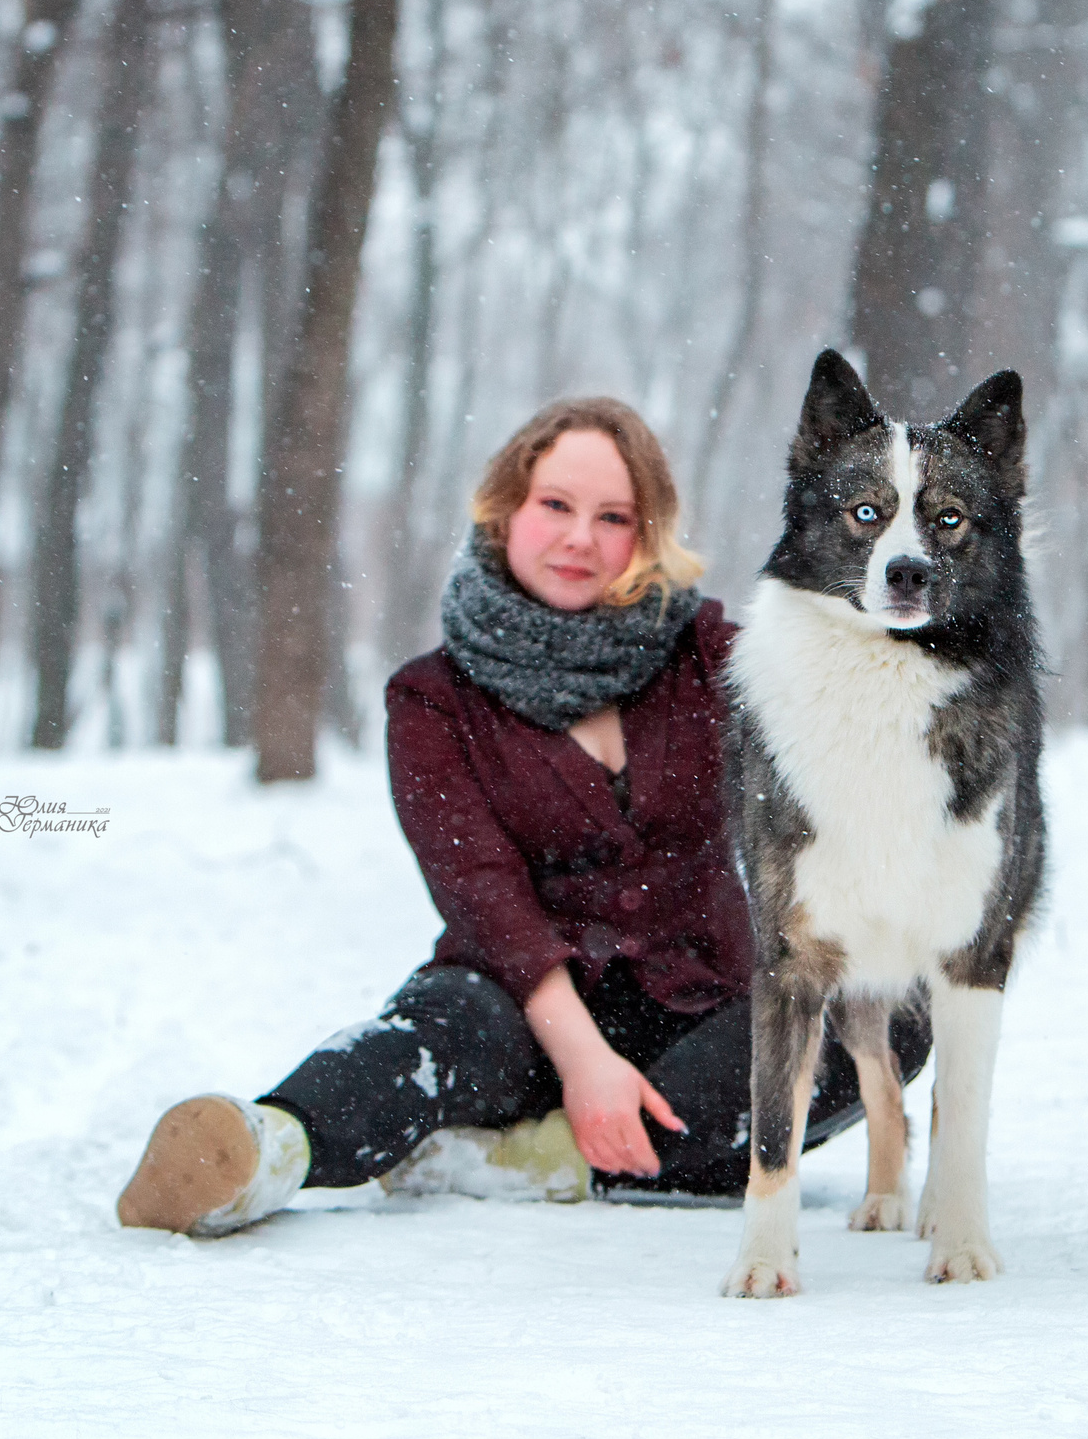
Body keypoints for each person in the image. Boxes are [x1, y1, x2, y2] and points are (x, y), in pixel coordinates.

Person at [117, 396, 929, 1235]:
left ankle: (544, 1161)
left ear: (645, 534)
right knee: (434, 1032)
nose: (580, 537)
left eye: (612, 516)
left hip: (703, 1016)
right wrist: (584, 1063)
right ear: (506, 508)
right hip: (514, 1007)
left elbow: (846, 711)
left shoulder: (708, 653)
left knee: (887, 1013)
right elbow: (483, 895)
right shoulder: (431, 698)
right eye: (555, 505)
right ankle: (263, 1149)